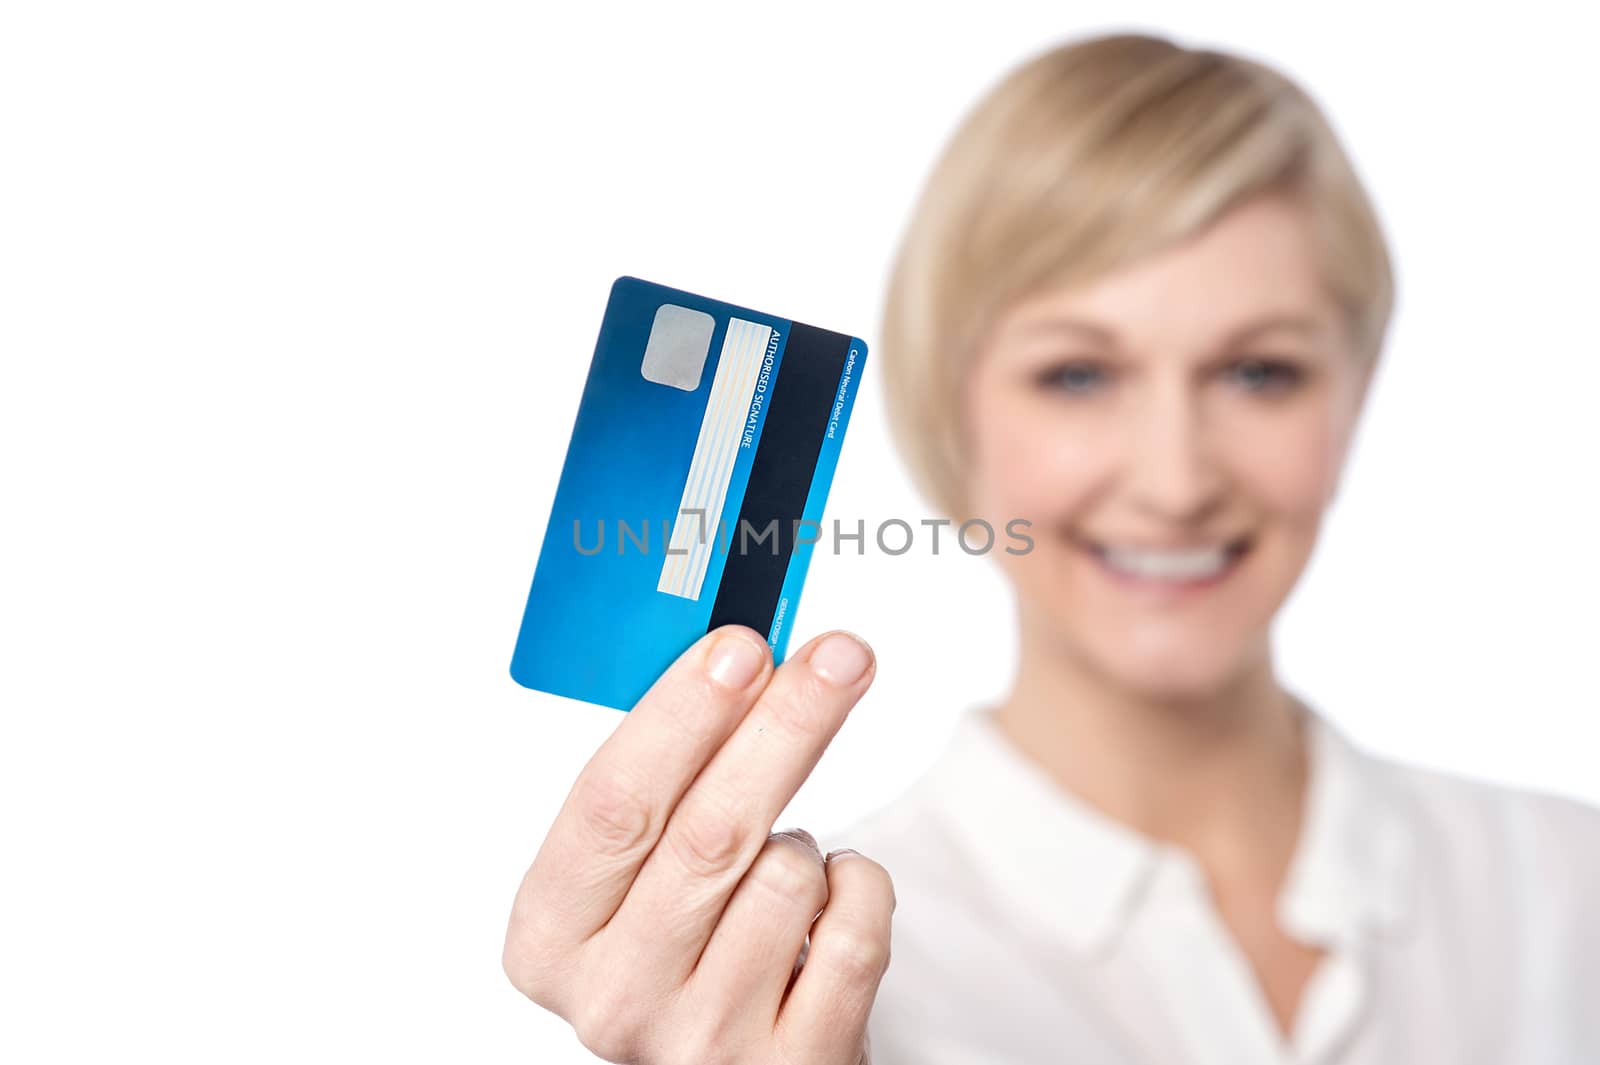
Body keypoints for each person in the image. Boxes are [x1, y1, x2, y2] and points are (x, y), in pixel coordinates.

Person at [501, 31, 1600, 1065]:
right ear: (951, 410)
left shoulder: (1567, 890)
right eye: (1077, 375)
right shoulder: (799, 987)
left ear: (1351, 401)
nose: (1174, 480)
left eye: (1258, 372)